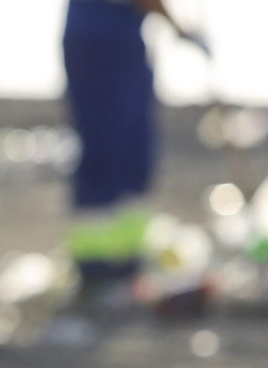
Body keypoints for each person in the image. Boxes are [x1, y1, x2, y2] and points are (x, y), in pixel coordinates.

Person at [62, 0, 201, 296]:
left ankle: (126, 258)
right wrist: (179, 28)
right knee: (107, 148)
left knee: (129, 149)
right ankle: (96, 264)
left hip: (111, 37)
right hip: (103, 41)